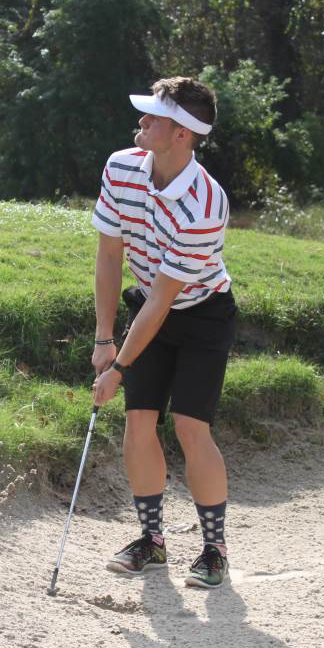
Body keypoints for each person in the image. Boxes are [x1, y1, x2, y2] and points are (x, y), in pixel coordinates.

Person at [90, 76, 237, 589]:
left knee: (191, 428)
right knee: (138, 422)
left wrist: (120, 369)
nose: (142, 121)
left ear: (182, 134)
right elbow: (110, 255)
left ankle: (214, 549)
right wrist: (104, 339)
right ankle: (152, 542)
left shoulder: (205, 204)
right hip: (147, 305)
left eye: (154, 116)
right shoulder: (120, 167)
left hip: (200, 315)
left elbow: (163, 300)